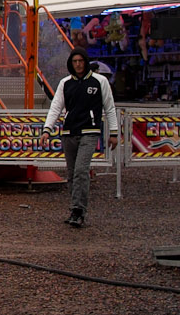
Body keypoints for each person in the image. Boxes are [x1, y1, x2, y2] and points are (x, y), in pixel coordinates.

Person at [43, 49, 119, 227]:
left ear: (85, 61)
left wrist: (114, 132)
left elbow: (109, 107)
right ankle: (75, 208)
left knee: (81, 171)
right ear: (71, 63)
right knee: (71, 174)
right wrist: (47, 129)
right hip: (69, 132)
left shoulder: (100, 81)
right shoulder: (65, 83)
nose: (78, 64)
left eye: (80, 61)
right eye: (74, 61)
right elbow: (56, 107)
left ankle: (79, 210)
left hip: (89, 131)